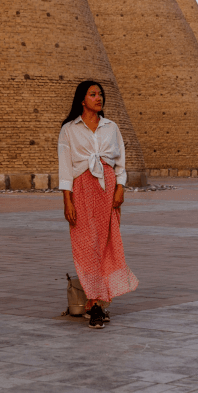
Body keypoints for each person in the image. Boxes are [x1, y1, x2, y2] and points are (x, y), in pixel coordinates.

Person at [59, 80, 138, 328]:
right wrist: (67, 201)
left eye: (100, 94)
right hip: (82, 189)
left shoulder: (111, 127)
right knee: (86, 244)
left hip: (107, 189)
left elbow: (120, 161)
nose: (98, 98)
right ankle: (94, 301)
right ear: (82, 100)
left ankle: (97, 304)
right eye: (93, 94)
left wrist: (120, 188)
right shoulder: (69, 129)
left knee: (106, 244)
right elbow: (65, 169)